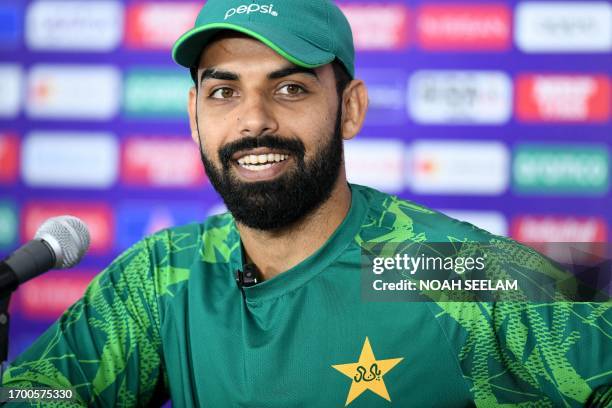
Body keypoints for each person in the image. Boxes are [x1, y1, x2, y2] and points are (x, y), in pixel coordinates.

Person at [3, 1, 610, 406]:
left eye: (290, 88)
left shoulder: (436, 266)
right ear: (193, 117)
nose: (253, 121)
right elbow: (41, 394)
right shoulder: (165, 273)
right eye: (223, 92)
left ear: (349, 109)